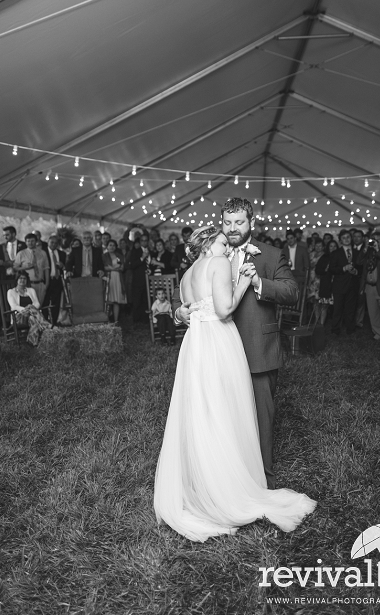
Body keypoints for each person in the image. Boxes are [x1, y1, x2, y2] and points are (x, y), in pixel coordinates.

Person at [155, 224, 315, 541]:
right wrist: (242, 281)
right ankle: (227, 489)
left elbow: (190, 308)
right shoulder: (216, 263)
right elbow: (226, 310)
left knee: (201, 413)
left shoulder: (187, 275)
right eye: (221, 242)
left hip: (193, 346)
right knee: (223, 411)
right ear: (207, 244)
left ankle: (201, 487)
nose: (226, 247)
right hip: (216, 340)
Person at [173, 198, 297, 490]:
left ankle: (262, 479)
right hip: (217, 352)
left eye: (239, 222)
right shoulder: (213, 256)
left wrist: (259, 284)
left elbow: (291, 291)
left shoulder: (269, 254)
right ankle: (228, 480)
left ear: (251, 223)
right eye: (227, 223)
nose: (232, 229)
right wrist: (177, 313)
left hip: (256, 347)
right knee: (221, 417)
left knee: (261, 418)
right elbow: (194, 299)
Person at [328, 231, 361, 335]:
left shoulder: (357, 253)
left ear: (351, 238)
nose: (346, 239)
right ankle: (335, 329)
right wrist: (343, 268)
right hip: (339, 285)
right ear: (340, 240)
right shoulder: (336, 253)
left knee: (350, 308)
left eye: (348, 237)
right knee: (337, 308)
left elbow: (361, 267)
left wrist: (356, 272)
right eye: (343, 238)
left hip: (352, 284)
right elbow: (331, 269)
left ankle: (350, 329)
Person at [6, 272, 49, 346]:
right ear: (17, 280)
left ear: (27, 280)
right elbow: (14, 306)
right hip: (18, 317)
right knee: (31, 310)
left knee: (32, 318)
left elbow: (37, 303)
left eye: (24, 278)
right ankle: (47, 325)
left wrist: (30, 308)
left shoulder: (31, 290)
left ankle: (33, 342)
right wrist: (27, 309)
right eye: (20, 278)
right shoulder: (11, 292)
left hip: (32, 315)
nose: (22, 280)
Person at [315, 240, 338, 327]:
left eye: (335, 246)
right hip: (325, 284)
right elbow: (317, 270)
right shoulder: (324, 257)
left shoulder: (340, 256)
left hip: (336, 284)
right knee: (322, 304)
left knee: (329, 306)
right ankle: (319, 323)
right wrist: (325, 270)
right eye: (331, 246)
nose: (333, 248)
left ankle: (325, 324)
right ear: (328, 247)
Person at [103, 240, 126, 324]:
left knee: (116, 301)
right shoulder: (104, 256)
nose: (112, 247)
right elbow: (104, 267)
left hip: (118, 278)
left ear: (116, 247)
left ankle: (116, 320)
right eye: (110, 245)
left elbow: (122, 268)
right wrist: (114, 268)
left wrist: (111, 267)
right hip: (108, 277)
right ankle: (107, 320)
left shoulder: (119, 256)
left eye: (113, 245)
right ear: (107, 246)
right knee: (108, 300)